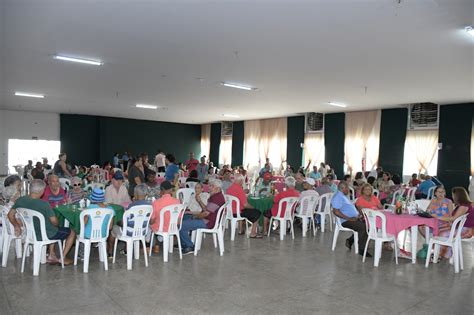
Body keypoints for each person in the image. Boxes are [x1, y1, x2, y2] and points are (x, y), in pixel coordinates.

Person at [8, 179, 75, 265]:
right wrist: (57, 223)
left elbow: (10, 214)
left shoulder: (21, 200)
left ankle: (52, 254)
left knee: (54, 228)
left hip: (30, 233)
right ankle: (63, 258)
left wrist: (16, 226)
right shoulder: (44, 204)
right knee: (71, 232)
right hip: (46, 234)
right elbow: (54, 221)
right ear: (41, 191)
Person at [179, 179, 226, 254]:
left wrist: (195, 217)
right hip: (208, 219)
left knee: (182, 224)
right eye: (209, 186)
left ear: (218, 188)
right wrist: (199, 201)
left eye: (212, 186)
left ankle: (189, 246)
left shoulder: (216, 198)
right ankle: (183, 242)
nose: (209, 188)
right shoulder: (216, 196)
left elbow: (205, 214)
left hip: (208, 222)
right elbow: (206, 209)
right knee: (184, 218)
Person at [110, 184, 153, 254]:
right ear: (146, 194)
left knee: (114, 228)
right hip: (142, 231)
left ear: (135, 194)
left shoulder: (132, 206)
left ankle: (110, 252)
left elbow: (125, 221)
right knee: (130, 226)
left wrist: (118, 223)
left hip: (129, 232)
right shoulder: (149, 205)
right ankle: (126, 250)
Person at [331, 181, 370, 257]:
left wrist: (357, 215)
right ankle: (362, 250)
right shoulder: (337, 197)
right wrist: (349, 218)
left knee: (369, 224)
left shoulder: (343, 196)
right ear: (343, 188)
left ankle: (350, 240)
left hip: (352, 218)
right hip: (345, 221)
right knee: (363, 227)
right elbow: (336, 211)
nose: (348, 190)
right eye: (347, 188)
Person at [436, 187, 473, 258]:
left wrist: (438, 217)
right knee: (438, 229)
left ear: (457, 196)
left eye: (453, 195)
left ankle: (444, 254)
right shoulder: (463, 205)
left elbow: (453, 218)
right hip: (461, 228)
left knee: (442, 234)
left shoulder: (463, 206)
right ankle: (443, 252)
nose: (452, 197)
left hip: (466, 230)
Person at [85, 188, 115, 257]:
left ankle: (82, 254)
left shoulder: (89, 208)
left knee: (77, 231)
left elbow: (84, 223)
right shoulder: (110, 209)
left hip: (88, 234)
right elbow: (110, 227)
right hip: (103, 234)